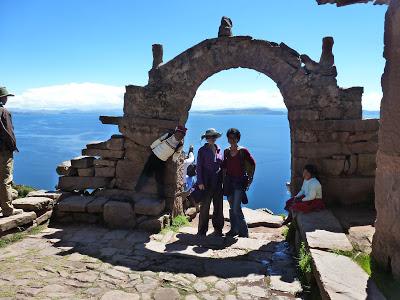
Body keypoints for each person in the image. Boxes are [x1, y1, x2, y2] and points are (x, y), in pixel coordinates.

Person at [135, 126, 187, 198]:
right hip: (154, 156)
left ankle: (161, 196)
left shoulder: (179, 145)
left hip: (162, 161)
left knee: (160, 178)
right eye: (179, 133)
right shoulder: (168, 136)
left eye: (182, 135)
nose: (180, 136)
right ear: (176, 132)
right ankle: (137, 189)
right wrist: (151, 147)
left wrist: (174, 160)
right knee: (146, 172)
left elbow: (177, 154)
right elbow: (159, 140)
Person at [223, 128, 256, 238]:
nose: (231, 140)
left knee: (236, 208)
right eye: (229, 137)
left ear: (238, 139)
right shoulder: (226, 151)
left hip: (239, 183)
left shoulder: (243, 151)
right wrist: (223, 181)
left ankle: (244, 232)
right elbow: (224, 166)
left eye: (234, 138)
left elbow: (252, 163)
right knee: (232, 208)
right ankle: (234, 230)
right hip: (229, 182)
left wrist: (250, 179)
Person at [196, 128, 224, 236]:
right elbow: (198, 167)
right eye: (209, 137)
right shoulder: (202, 150)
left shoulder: (219, 149)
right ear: (206, 138)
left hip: (217, 182)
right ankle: (202, 230)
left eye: (213, 136)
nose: (211, 139)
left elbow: (221, 165)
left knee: (218, 206)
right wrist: (200, 182)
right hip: (206, 182)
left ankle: (218, 229)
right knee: (204, 207)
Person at [0, 87, 22, 217]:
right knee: (5, 179)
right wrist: (13, 147)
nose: (7, 98)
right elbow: (8, 132)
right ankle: (8, 210)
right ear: (2, 98)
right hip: (3, 151)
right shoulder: (4, 111)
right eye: (6, 96)